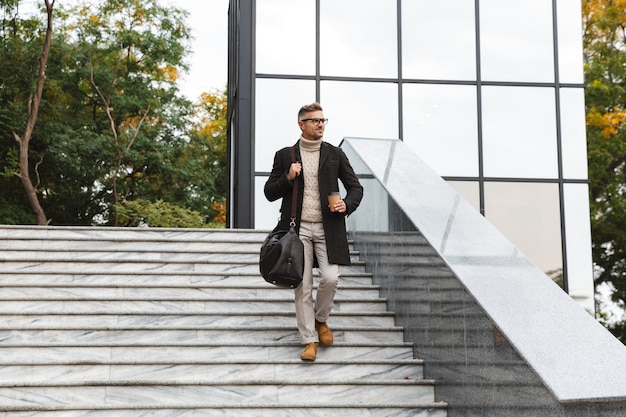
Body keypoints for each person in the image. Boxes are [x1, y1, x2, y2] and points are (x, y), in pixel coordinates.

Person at [264, 102, 364, 361]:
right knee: (303, 285)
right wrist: (287, 177)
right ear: (301, 124)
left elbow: (356, 188)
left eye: (323, 120)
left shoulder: (335, 154)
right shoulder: (285, 155)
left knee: (330, 278)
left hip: (328, 227)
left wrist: (347, 204)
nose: (320, 124)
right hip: (297, 230)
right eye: (315, 120)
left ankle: (321, 320)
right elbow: (269, 192)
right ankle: (309, 340)